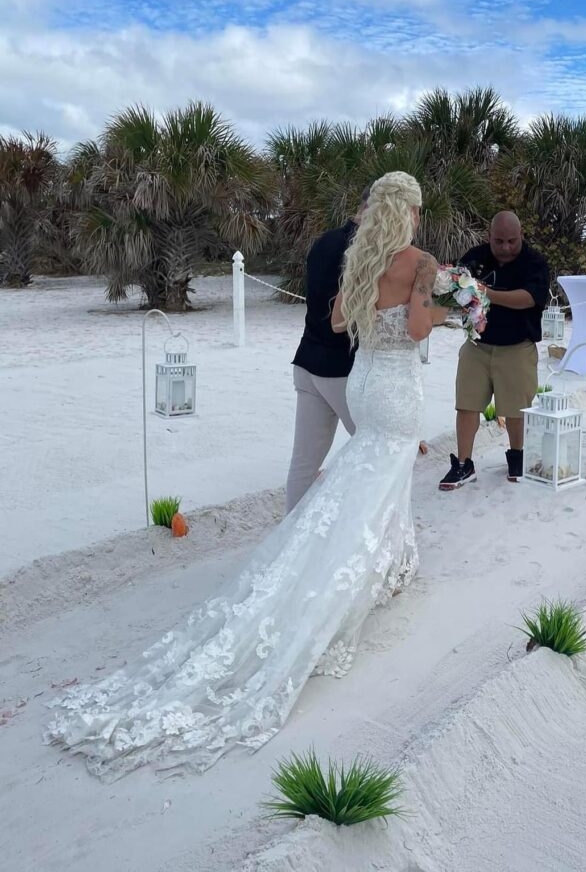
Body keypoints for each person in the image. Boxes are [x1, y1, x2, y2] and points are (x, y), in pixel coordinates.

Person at [45, 172, 448, 780]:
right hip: (393, 387)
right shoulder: (421, 262)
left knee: (352, 480)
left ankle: (383, 562)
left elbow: (339, 322)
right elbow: (418, 330)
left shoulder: (359, 254)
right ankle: (354, 577)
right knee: (375, 481)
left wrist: (386, 311)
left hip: (361, 380)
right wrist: (448, 304)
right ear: (412, 212)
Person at [439, 211, 550, 489]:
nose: (505, 247)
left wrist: (486, 292)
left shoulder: (534, 262)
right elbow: (456, 286)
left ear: (521, 236)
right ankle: (463, 464)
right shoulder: (475, 256)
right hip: (477, 344)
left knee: (515, 409)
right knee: (466, 404)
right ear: (489, 237)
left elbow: (529, 299)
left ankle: (517, 456)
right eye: (498, 241)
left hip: (517, 346)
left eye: (512, 241)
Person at [285, 186, 369, 512]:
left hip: (306, 360)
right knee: (373, 447)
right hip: (340, 368)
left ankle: (290, 542)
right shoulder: (364, 249)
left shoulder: (324, 241)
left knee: (303, 463)